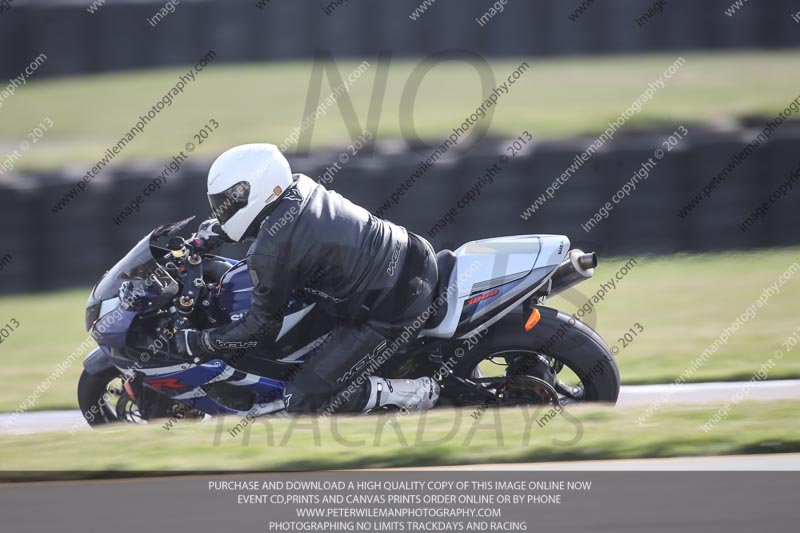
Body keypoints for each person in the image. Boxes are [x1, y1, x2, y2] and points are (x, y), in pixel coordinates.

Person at [175, 143, 440, 414]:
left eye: (228, 202)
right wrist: (219, 232)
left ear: (255, 190)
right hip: (412, 253)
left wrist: (202, 342)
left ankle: (414, 393)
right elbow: (273, 224)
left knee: (300, 399)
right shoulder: (300, 186)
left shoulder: (271, 253)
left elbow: (259, 325)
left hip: (395, 304)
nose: (223, 211)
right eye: (220, 205)